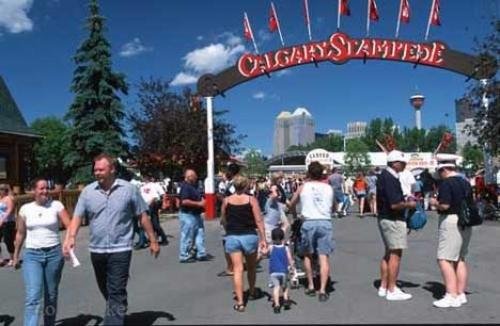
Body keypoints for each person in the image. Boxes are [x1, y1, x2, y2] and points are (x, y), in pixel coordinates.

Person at [63, 154, 160, 326]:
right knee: (105, 288)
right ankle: (119, 305)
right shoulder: (88, 192)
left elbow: (142, 216)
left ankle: (114, 317)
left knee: (115, 289)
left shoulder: (129, 189)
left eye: (101, 169)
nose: (97, 173)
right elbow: (77, 216)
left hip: (120, 249)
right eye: (95, 169)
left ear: (112, 169)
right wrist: (71, 237)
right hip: (97, 250)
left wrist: (153, 240)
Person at [12, 178, 71, 326]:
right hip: (32, 255)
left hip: (54, 254)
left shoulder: (56, 205)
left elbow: (70, 226)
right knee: (33, 295)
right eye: (41, 188)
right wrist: (15, 256)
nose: (45, 191)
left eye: (47, 188)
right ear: (33, 191)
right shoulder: (25, 209)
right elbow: (20, 233)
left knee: (51, 294)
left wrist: (68, 244)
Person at [288, 161, 334, 302]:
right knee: (323, 256)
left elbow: (292, 203)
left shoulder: (303, 187)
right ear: (321, 174)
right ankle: (322, 289)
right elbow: (333, 207)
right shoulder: (328, 188)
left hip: (308, 222)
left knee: (307, 254)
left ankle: (311, 285)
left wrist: (294, 213)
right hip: (325, 221)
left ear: (309, 173)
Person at [429, 161, 473, 308]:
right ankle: (460, 293)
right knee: (460, 258)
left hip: (451, 220)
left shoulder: (447, 183)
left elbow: (445, 205)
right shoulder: (465, 182)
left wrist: (434, 202)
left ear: (443, 170)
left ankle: (451, 294)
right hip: (466, 221)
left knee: (444, 258)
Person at [220, 175, 267, 312]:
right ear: (246, 186)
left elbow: (223, 219)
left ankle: (240, 302)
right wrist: (263, 238)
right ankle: (252, 292)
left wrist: (228, 229)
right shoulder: (251, 200)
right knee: (251, 267)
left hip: (233, 236)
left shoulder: (227, 200)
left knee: (237, 269)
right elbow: (258, 220)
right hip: (249, 236)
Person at [376, 150, 416, 301]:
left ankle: (384, 285)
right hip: (393, 219)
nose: (404, 165)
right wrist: (409, 204)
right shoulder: (390, 178)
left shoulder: (384, 176)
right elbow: (394, 204)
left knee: (388, 253)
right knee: (396, 254)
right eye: (402, 162)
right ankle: (392, 289)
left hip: (385, 217)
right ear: (395, 163)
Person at [178, 168, 209, 262]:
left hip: (196, 214)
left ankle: (201, 253)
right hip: (188, 215)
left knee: (200, 234)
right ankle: (184, 255)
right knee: (187, 235)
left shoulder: (194, 186)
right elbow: (184, 201)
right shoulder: (185, 187)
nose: (196, 177)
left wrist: (202, 201)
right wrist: (199, 204)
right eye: (194, 176)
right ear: (189, 177)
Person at [262, 228, 294, 313]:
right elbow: (290, 259)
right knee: (285, 287)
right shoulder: (286, 248)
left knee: (276, 288)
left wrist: (263, 250)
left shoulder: (271, 247)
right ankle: (286, 299)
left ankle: (276, 305)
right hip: (284, 272)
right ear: (283, 238)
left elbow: (264, 253)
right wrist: (293, 268)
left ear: (272, 238)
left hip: (274, 272)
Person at [140, 175, 169, 245]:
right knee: (150, 223)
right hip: (145, 205)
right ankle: (155, 237)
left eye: (145, 177)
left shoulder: (154, 185)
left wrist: (164, 203)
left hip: (153, 204)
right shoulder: (142, 187)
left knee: (154, 223)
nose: (144, 179)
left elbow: (160, 195)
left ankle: (163, 238)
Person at [0, 184, 15, 267]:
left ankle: (12, 258)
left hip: (8, 222)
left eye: (2, 189)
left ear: (6, 190)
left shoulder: (9, 198)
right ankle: (1, 259)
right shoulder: (0, 199)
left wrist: (2, 220)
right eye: (0, 189)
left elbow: (10, 210)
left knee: (8, 241)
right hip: (0, 222)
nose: (1, 191)